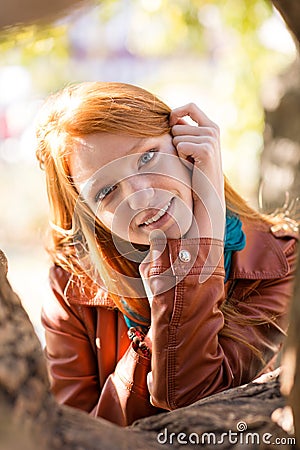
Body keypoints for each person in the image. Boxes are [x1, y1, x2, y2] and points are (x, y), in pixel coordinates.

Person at [36, 81, 298, 427]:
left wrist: (195, 249)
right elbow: (72, 434)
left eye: (147, 157)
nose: (140, 197)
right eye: (107, 190)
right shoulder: (72, 286)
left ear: (185, 147)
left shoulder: (281, 260)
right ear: (89, 213)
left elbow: (193, 397)